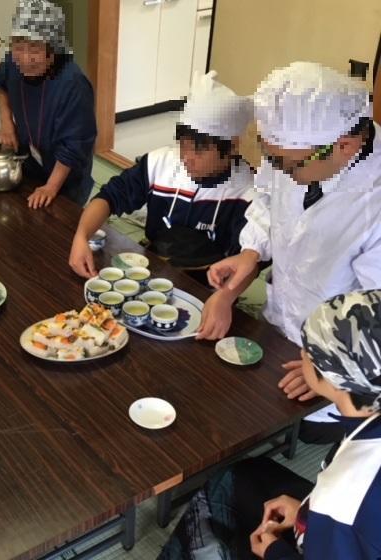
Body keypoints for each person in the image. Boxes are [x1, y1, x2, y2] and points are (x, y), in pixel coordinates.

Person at [197, 62, 381, 440]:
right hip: (279, 329)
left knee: (281, 430)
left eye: (286, 163)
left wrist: (325, 367)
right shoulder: (296, 152)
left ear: (345, 146)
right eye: (270, 156)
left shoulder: (374, 201)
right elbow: (268, 202)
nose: (276, 169)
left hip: (341, 378)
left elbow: (374, 320)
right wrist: (249, 256)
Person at [159, 290, 381, 560]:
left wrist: (274, 551)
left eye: (309, 350)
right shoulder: (368, 420)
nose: (301, 353)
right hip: (326, 525)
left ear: (335, 379)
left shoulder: (345, 498)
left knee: (222, 516)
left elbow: (345, 524)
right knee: (241, 473)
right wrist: (305, 513)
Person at [69, 71, 255, 278]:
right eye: (183, 145)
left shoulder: (249, 193)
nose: (187, 157)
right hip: (154, 268)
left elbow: (249, 262)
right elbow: (110, 196)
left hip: (210, 285)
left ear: (231, 147)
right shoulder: (161, 163)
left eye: (199, 150)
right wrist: (81, 236)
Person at [0, 0, 97, 209]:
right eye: (19, 47)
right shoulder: (13, 63)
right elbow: (0, 83)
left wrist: (51, 186)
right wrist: (6, 122)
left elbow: (74, 145)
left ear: (53, 50)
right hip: (31, 165)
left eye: (35, 49)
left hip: (65, 176)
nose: (26, 58)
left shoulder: (73, 84)